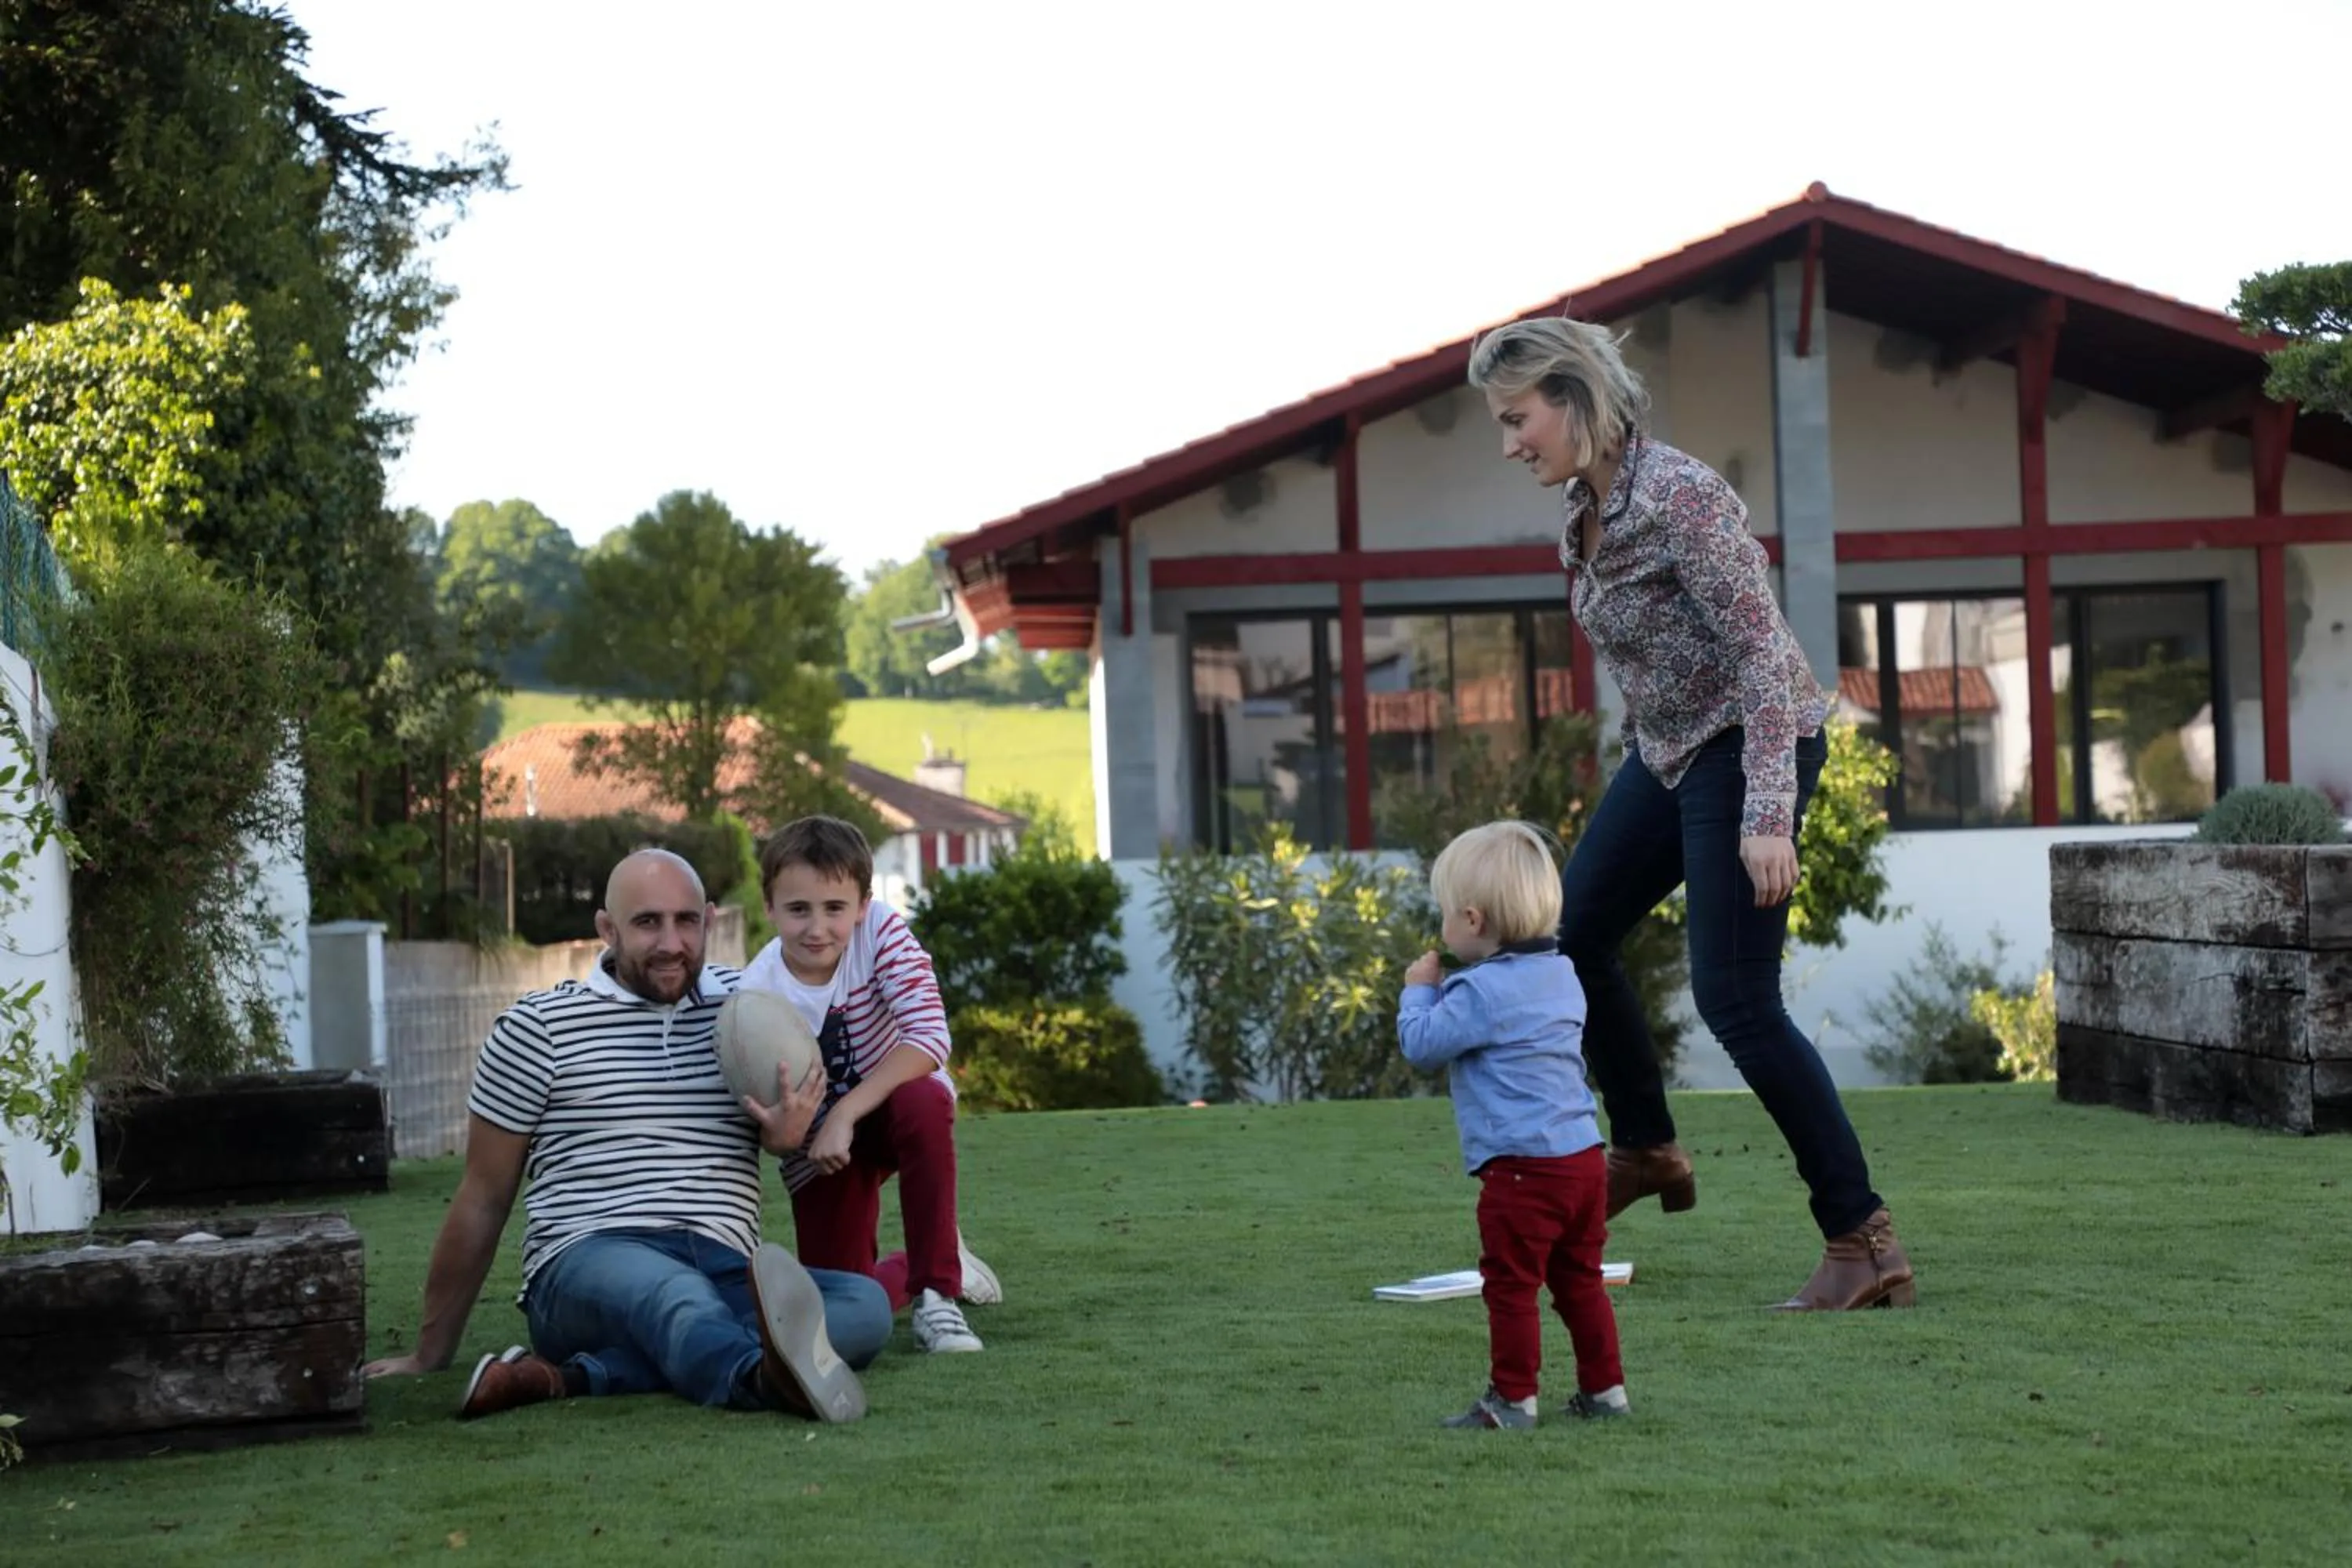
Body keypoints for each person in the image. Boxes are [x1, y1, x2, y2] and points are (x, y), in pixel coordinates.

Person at [1467, 316, 1917, 1313]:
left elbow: (1764, 656)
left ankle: (1863, 1238)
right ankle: (1649, 1144)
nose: (1510, 444)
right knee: (1564, 936)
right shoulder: (1583, 514)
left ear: (1573, 397)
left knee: (1740, 1001)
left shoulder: (1680, 496)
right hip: (1667, 755)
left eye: (1517, 418)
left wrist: (1767, 813)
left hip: (1749, 746)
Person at [361, 848, 892, 1422]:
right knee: (675, 1296)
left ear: (709, 921)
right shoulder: (538, 1028)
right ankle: (756, 1379)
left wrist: (786, 1139)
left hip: (719, 1258)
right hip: (586, 1260)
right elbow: (483, 1198)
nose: (671, 943)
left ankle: (570, 1377)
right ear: (607, 929)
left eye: (686, 921)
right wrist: (429, 1353)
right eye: (647, 923)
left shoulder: (748, 1014)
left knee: (864, 1305)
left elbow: (804, 1123)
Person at [739, 815, 1002, 1355]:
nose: (817, 928)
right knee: (844, 1306)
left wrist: (845, 1114)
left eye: (835, 908)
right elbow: (767, 1129)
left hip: (886, 1109)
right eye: (798, 910)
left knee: (925, 1098)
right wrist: (789, 1138)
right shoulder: (755, 994)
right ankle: (927, 1259)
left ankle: (937, 1296)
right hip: (819, 1151)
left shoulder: (881, 932)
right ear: (769, 908)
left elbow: (931, 1038)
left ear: (862, 905)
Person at [1398, 820, 1628, 1430]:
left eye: (1446, 913)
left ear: (1472, 921)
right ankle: (1605, 1391)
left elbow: (1422, 1047)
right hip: (1582, 1157)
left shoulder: (1481, 992)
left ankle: (1513, 1399)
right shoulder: (1562, 974)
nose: (1444, 925)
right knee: (1580, 1281)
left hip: (1523, 1168)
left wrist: (1420, 992)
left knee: (1510, 1284)